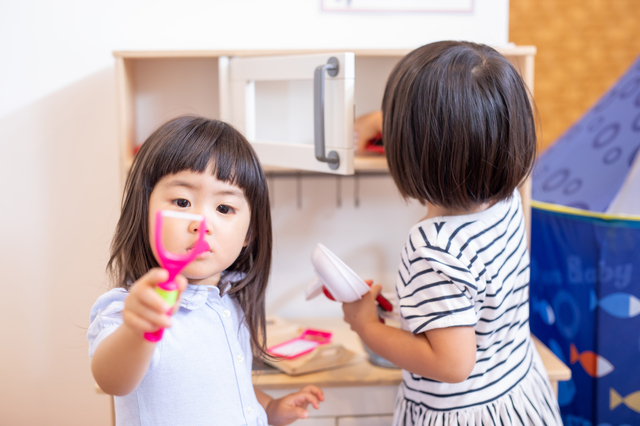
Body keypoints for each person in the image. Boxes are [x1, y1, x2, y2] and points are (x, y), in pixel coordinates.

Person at [343, 41, 562, 425]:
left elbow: (450, 364)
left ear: (407, 146)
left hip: (463, 413)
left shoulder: (432, 244)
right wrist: (379, 122)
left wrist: (366, 326)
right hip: (517, 392)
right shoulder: (507, 198)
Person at [88, 116, 323, 426]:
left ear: (249, 234)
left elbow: (229, 383)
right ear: (143, 210)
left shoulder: (230, 299)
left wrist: (270, 408)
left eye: (224, 208)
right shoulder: (129, 308)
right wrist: (137, 329)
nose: (202, 223)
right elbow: (113, 380)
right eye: (182, 201)